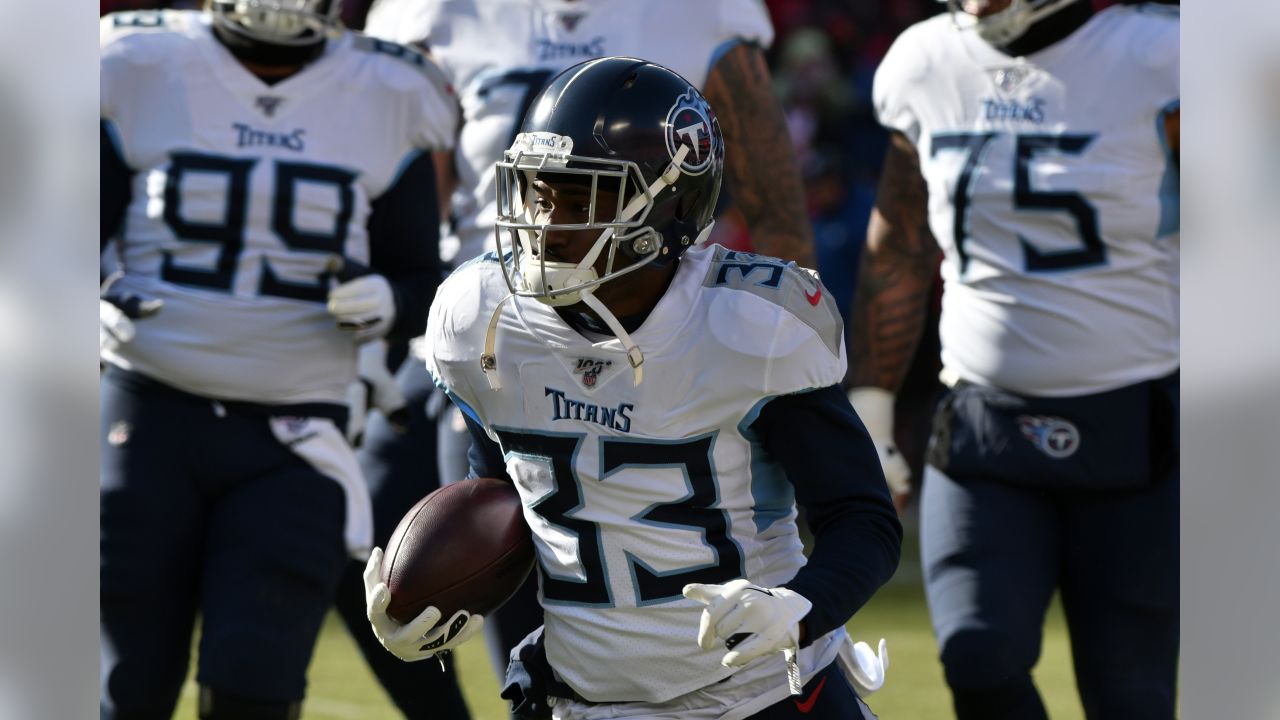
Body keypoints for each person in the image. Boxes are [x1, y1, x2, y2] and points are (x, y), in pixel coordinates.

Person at [363, 57, 902, 720]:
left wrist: (800, 607)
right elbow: (507, 495)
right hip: (584, 700)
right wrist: (438, 590)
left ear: (671, 203)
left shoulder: (749, 327)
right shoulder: (484, 314)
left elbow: (863, 519)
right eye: (537, 191)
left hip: (761, 694)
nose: (544, 222)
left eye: (580, 195)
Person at [98, 1, 457, 717]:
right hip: (147, 414)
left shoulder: (390, 87)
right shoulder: (135, 60)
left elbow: (423, 278)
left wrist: (389, 301)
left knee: (253, 688)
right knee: (121, 685)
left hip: (294, 438)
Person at [846, 1, 1179, 717]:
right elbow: (900, 245)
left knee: (1132, 696)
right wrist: (871, 408)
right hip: (984, 427)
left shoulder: (1164, 58)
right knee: (978, 658)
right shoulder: (927, 61)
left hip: (1143, 430)